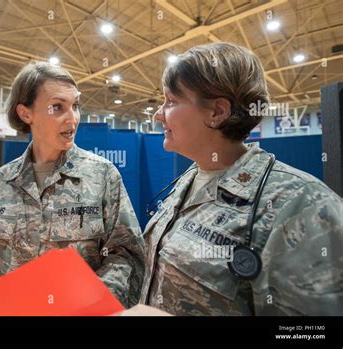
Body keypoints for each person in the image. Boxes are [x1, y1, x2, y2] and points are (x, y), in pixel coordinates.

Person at [123, 42, 343, 316]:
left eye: (170, 101)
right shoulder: (191, 178)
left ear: (217, 112)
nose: (158, 114)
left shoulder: (302, 205)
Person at [0, 62, 145, 307]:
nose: (72, 117)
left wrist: (95, 303)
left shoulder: (103, 175)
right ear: (26, 114)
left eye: (75, 106)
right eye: (58, 107)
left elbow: (127, 256)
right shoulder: (0, 182)